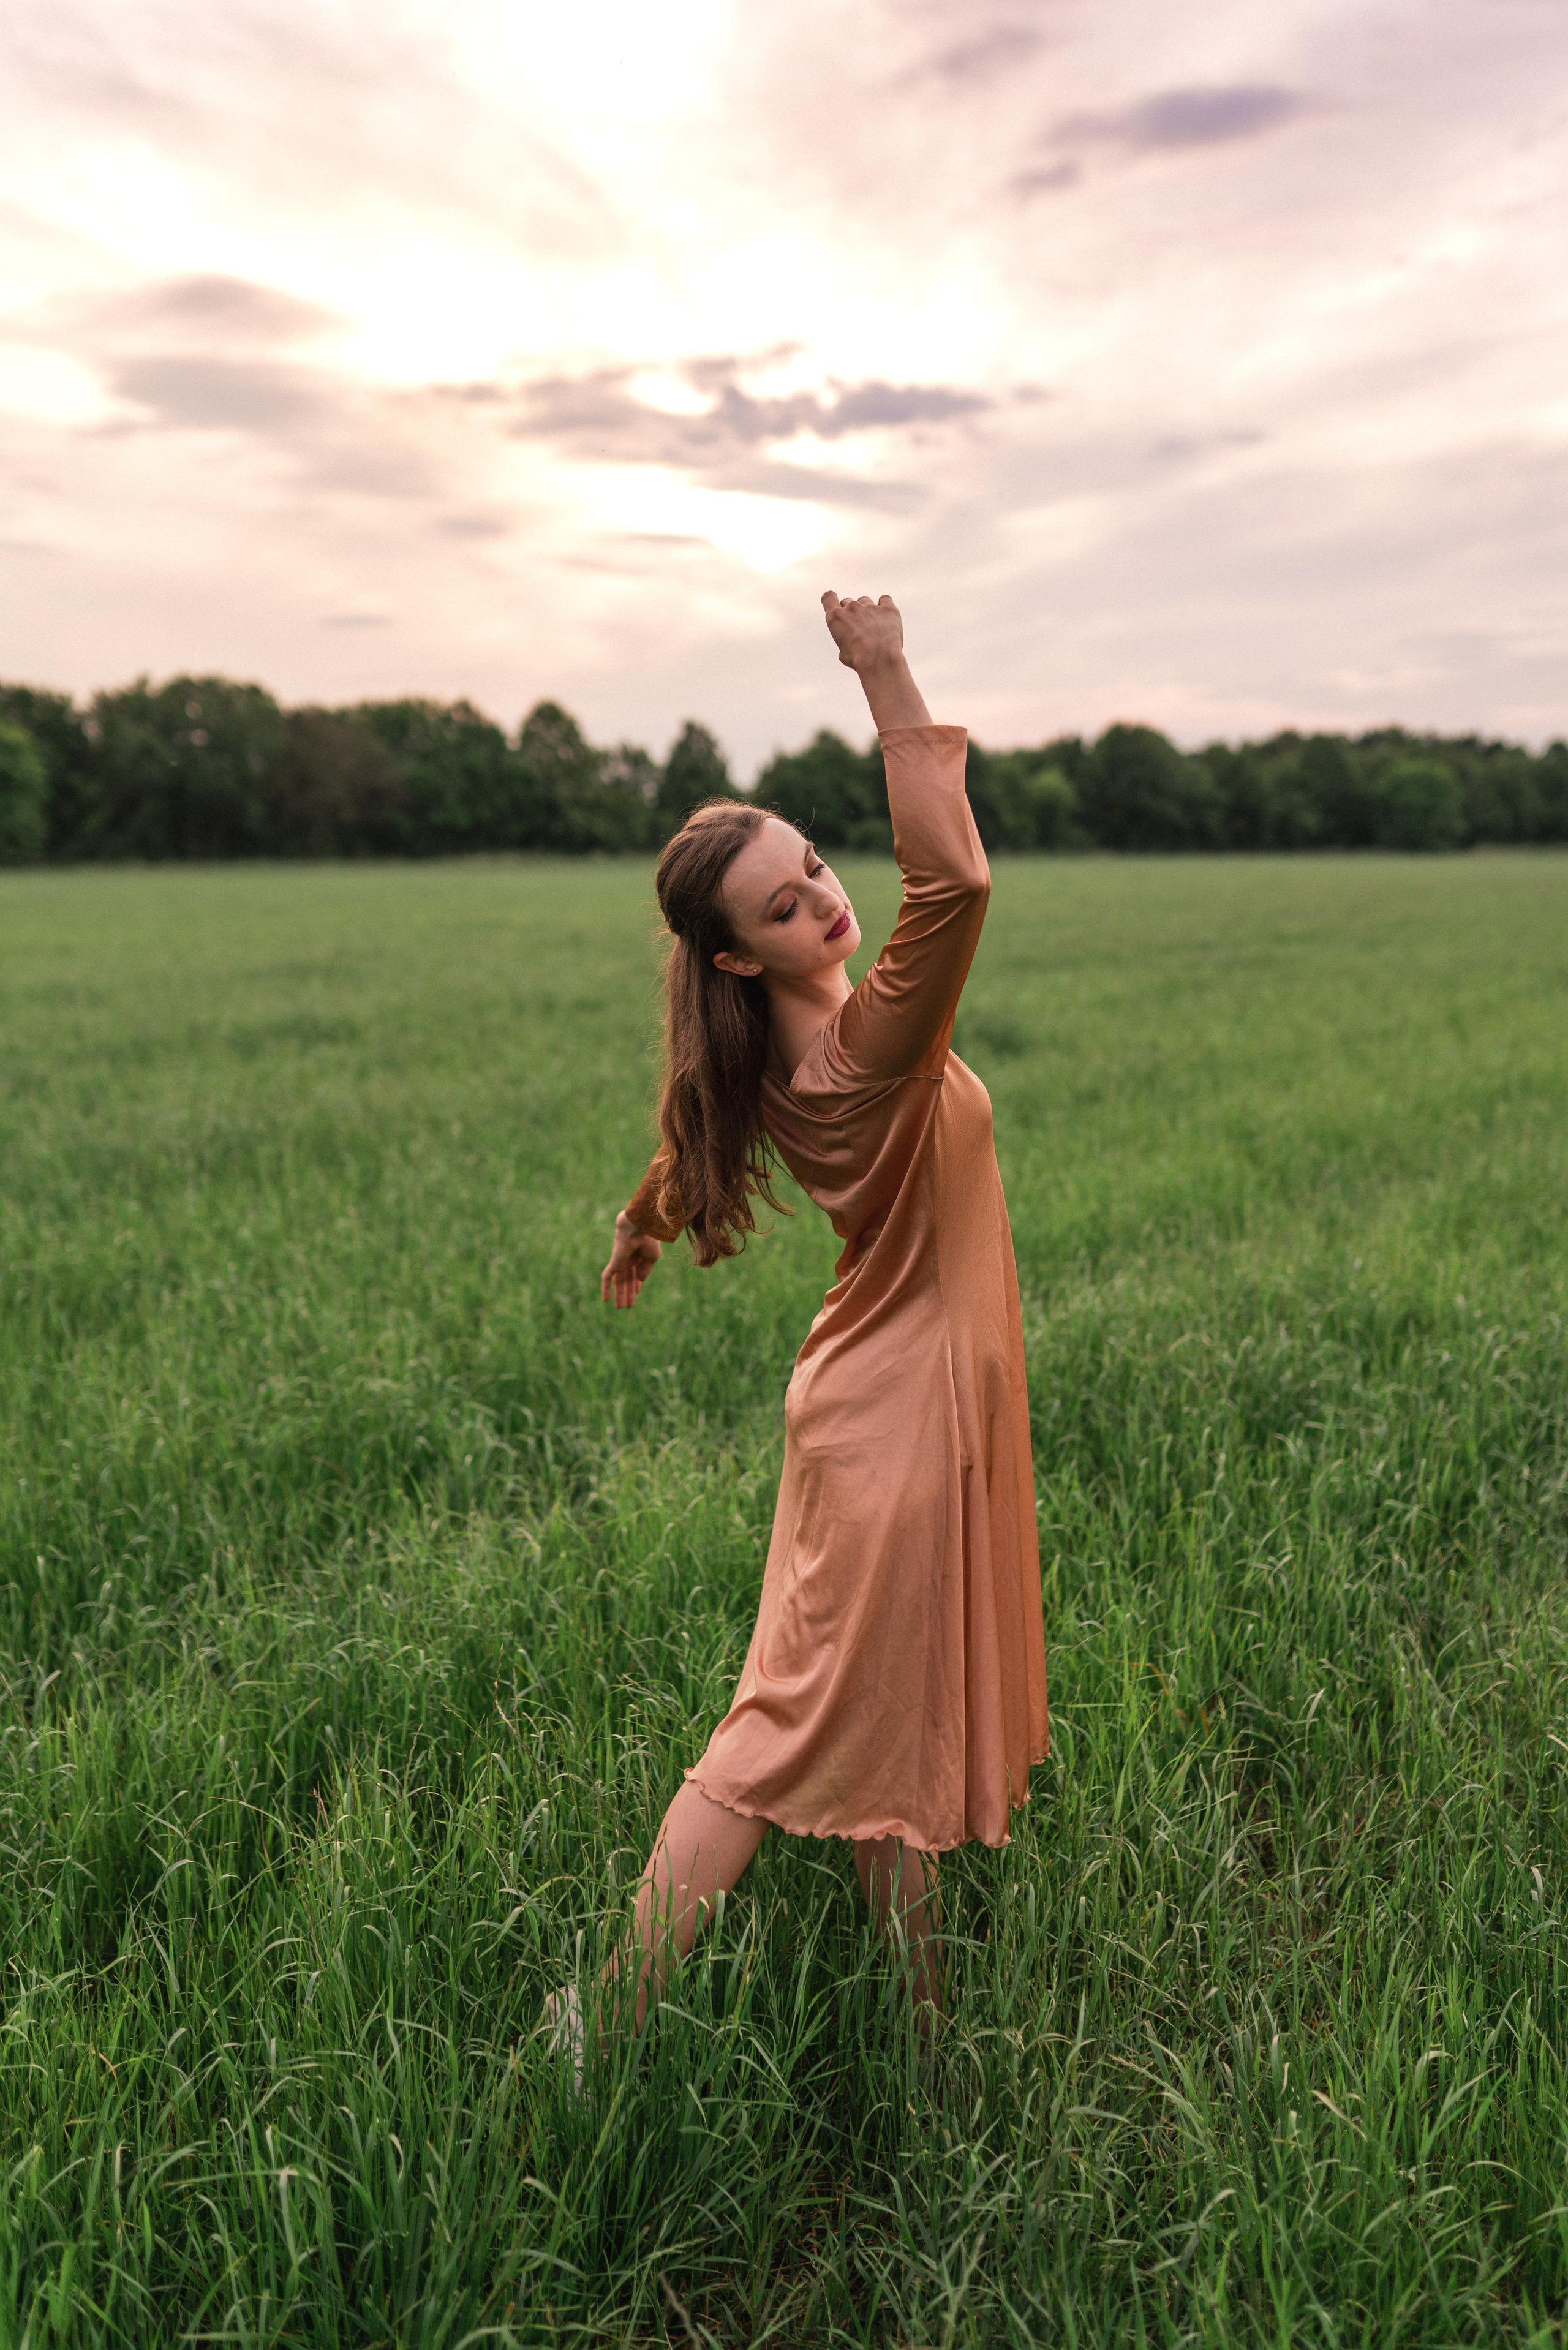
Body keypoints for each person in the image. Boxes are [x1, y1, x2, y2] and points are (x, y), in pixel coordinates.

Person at [546, 591, 1048, 2082]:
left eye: (814, 865)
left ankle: (919, 2022)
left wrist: (642, 1222)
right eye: (785, 904)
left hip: (895, 1403)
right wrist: (884, 671)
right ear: (740, 958)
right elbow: (950, 882)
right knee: (776, 1735)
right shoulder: (861, 1045)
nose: (825, 897)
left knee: (885, 1713)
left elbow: (691, 1139)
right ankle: (605, 2015)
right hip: (891, 1422)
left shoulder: (771, 1045)